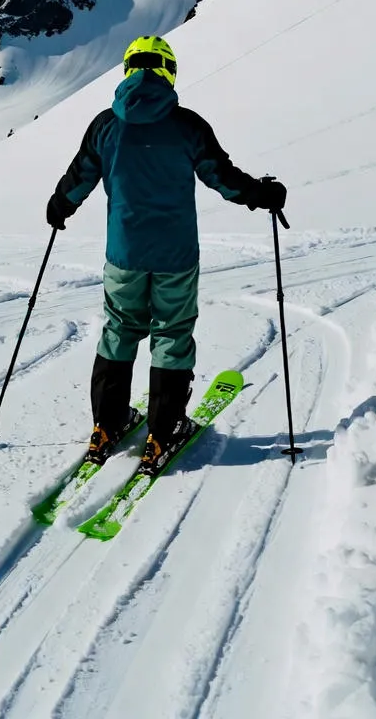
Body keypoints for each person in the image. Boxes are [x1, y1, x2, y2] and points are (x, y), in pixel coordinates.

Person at [46, 35, 287, 476]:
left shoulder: (105, 125)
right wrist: (262, 194)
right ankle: (164, 431)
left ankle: (108, 423)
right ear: (168, 71)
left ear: (128, 70)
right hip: (176, 254)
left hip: (124, 254)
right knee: (172, 335)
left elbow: (80, 175)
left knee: (119, 330)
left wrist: (61, 204)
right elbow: (225, 179)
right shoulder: (187, 125)